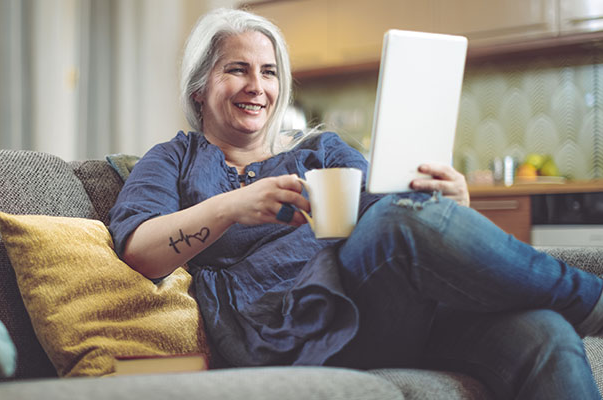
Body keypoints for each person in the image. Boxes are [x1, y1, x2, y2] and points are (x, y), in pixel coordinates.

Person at [109, 8, 603, 399]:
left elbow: (393, 222)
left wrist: (452, 206)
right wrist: (231, 206)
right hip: (297, 328)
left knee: (545, 333)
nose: (257, 87)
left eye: (268, 72)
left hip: (391, 308)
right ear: (200, 88)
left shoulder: (320, 151)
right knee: (396, 224)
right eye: (237, 70)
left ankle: (576, 306)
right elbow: (138, 251)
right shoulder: (174, 159)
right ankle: (592, 300)